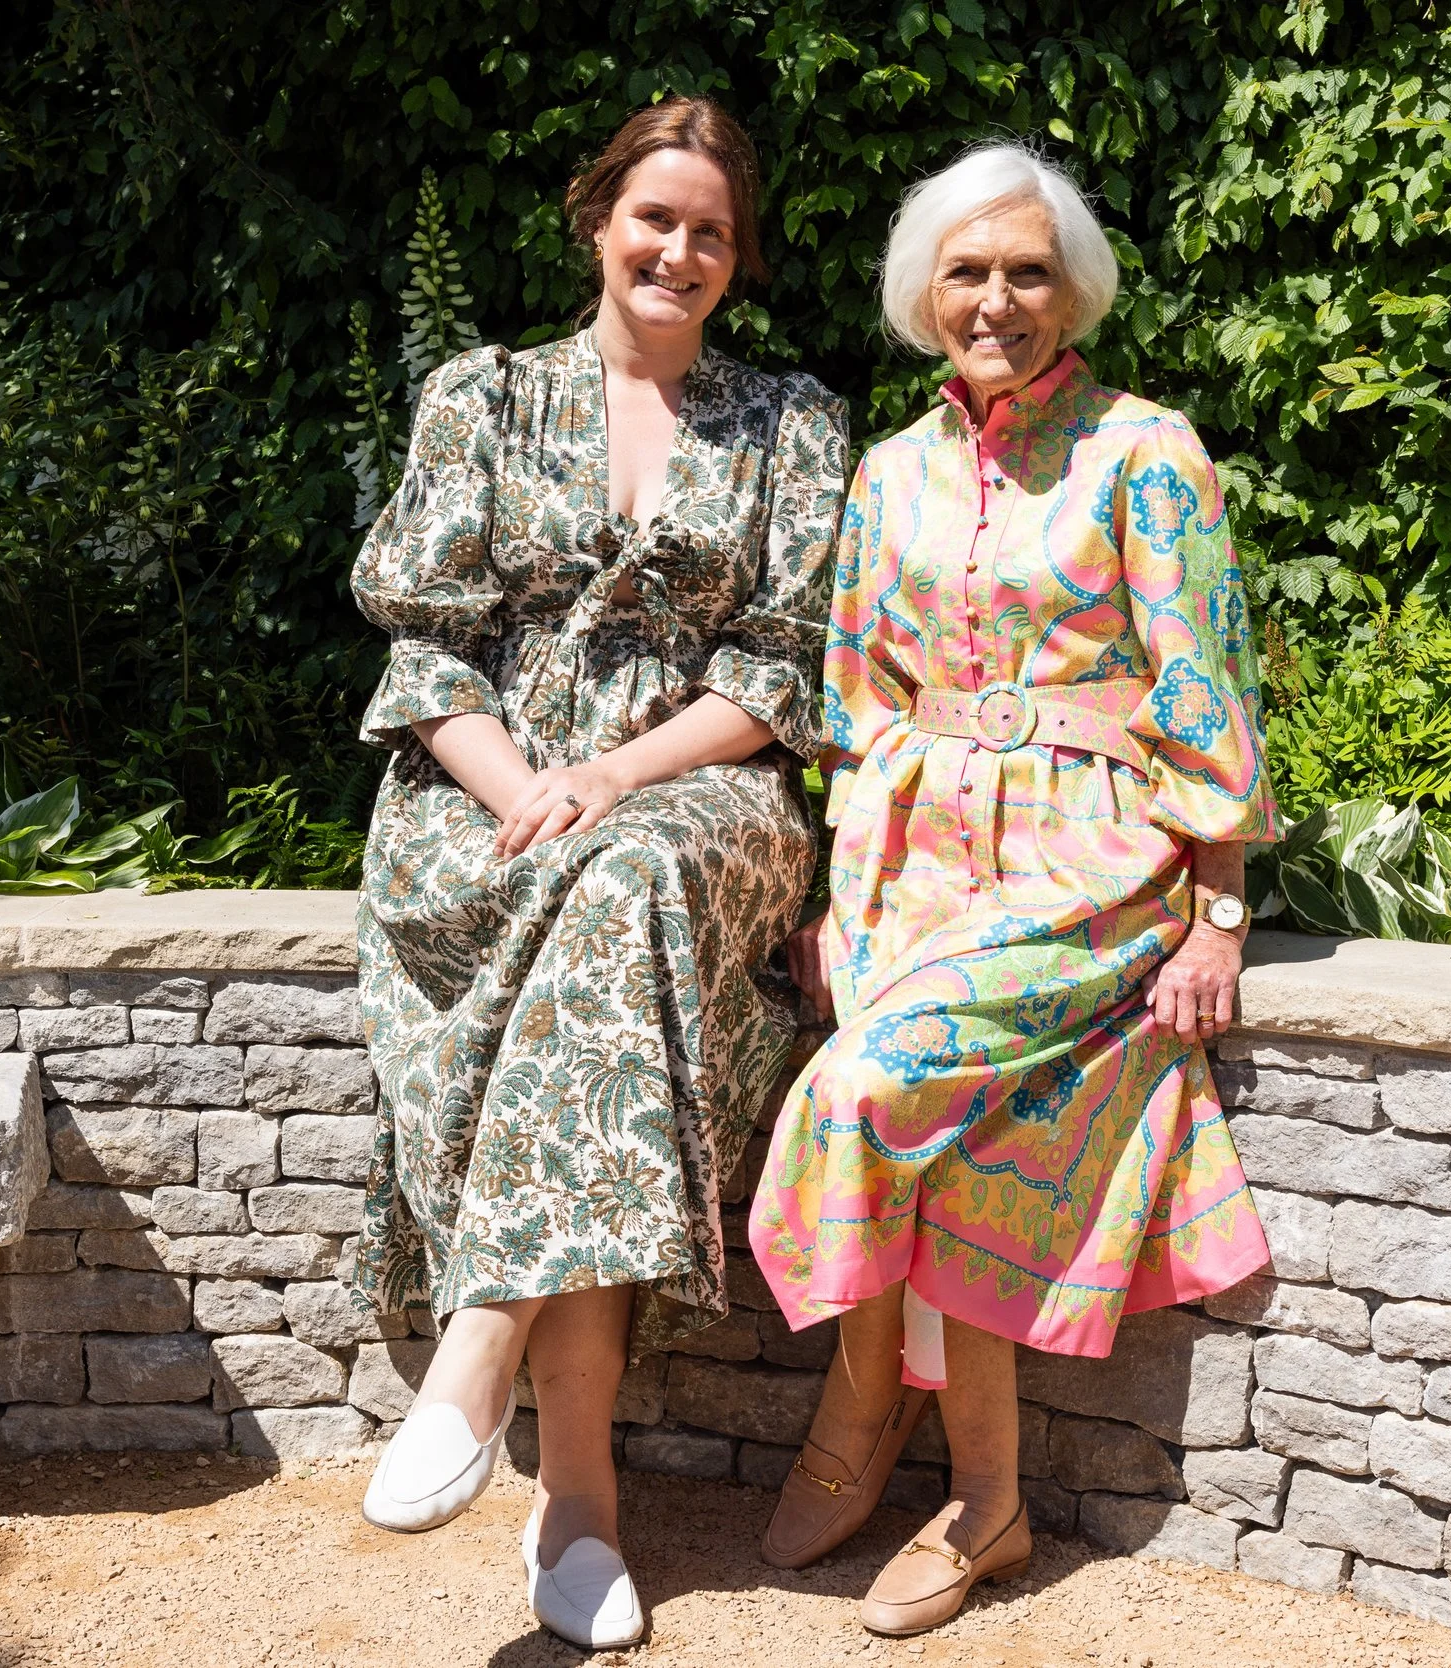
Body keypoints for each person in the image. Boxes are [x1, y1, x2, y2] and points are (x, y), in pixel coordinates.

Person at [751, 141, 1279, 1638]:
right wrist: (828, 891)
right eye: (969, 272)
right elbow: (854, 695)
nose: (998, 301)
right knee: (953, 1120)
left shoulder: (1144, 450)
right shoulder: (888, 469)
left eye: (1029, 272)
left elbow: (1204, 683)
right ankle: (989, 1506)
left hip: (1084, 860)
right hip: (903, 854)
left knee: (874, 1085)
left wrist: (1220, 903)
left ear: (1076, 291)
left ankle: (865, 1402)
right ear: (928, 293)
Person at [345, 95, 848, 1651]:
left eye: (711, 232)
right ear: (596, 221)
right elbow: (427, 649)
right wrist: (526, 791)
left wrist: (614, 777)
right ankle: (576, 1504)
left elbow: (782, 670)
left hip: (703, 797)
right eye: (656, 220)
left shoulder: (792, 425)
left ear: (737, 260)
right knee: (597, 937)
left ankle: (481, 1344)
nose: (679, 252)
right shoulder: (479, 398)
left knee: (625, 882)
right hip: (478, 797)